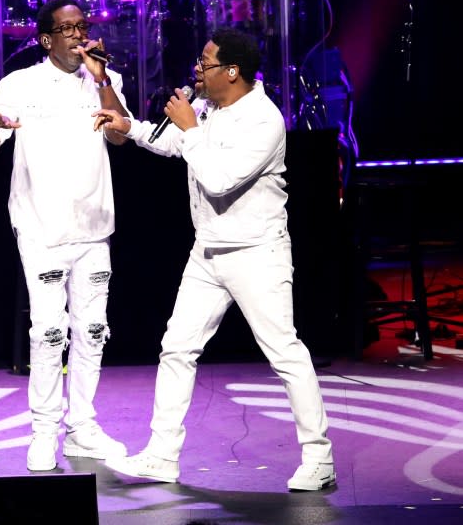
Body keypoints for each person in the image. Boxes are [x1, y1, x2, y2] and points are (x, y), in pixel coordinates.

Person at [92, 27, 335, 491]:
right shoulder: (208, 108)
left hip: (255, 252)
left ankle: (319, 458)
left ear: (232, 71)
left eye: (205, 63)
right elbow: (173, 144)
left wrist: (191, 127)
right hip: (207, 251)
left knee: (283, 351)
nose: (197, 71)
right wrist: (133, 128)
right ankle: (162, 455)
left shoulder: (263, 120)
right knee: (177, 348)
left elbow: (219, 178)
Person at [0, 0, 131, 471]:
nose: (80, 34)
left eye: (83, 25)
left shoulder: (105, 81)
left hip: (93, 225)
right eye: (68, 29)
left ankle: (82, 427)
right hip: (40, 225)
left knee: (93, 330)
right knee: (47, 331)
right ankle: (44, 431)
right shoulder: (19, 83)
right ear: (46, 39)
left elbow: (120, 134)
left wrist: (103, 81)